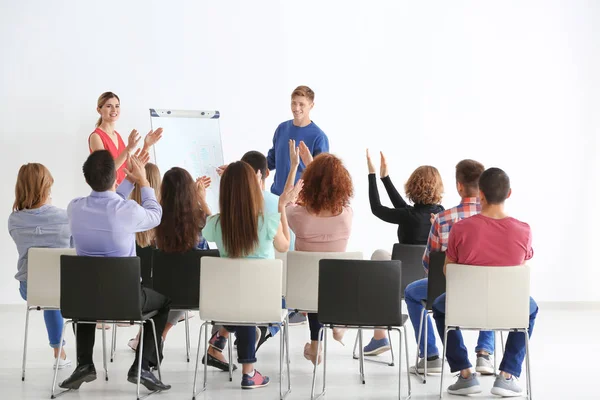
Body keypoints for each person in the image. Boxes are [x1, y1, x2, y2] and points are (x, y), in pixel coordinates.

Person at [59, 150, 171, 392]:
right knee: (164, 303)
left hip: (85, 303)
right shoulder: (128, 211)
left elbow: (107, 203)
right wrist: (142, 182)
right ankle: (141, 367)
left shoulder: (74, 209)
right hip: (126, 302)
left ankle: (84, 365)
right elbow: (155, 214)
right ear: (114, 177)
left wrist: (128, 181)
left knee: (87, 294)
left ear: (87, 179)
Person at [432, 168, 538, 397]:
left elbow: (447, 270)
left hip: (465, 306)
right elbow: (522, 266)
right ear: (509, 193)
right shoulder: (524, 230)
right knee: (531, 308)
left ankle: (465, 375)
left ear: (480, 194)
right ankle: (507, 376)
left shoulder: (461, 228)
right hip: (507, 308)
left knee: (440, 307)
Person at [202, 161, 297, 389]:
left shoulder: (216, 224)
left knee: (242, 302)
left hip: (224, 304)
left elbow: (208, 225)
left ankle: (222, 335)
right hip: (261, 303)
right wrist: (282, 206)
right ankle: (249, 371)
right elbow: (284, 246)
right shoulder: (267, 222)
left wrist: (202, 201)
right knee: (252, 307)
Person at [404, 159, 492, 376]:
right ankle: (484, 353)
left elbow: (429, 263)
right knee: (490, 281)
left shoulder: (443, 219)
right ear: (483, 187)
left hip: (448, 290)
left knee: (411, 293)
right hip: (487, 295)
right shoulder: (496, 220)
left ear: (459, 186)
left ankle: (431, 356)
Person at [363, 150, 445, 355]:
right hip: (431, 283)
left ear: (412, 186)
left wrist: (372, 176)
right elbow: (406, 209)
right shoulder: (442, 214)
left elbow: (377, 208)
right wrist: (385, 178)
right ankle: (381, 338)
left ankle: (379, 336)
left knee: (379, 255)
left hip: (402, 282)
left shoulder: (407, 216)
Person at [284, 140, 354, 365]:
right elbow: (328, 190)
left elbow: (286, 202)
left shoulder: (298, 217)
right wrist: (314, 166)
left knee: (312, 284)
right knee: (323, 281)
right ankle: (337, 324)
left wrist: (301, 168)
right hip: (337, 293)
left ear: (309, 184)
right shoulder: (346, 216)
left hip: (303, 294)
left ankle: (315, 346)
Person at [8, 163, 72, 369]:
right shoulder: (65, 217)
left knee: (48, 293)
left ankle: (59, 352)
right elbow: (74, 248)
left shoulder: (14, 220)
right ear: (46, 187)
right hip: (67, 288)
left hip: (30, 289)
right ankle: (76, 358)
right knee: (57, 288)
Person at [154, 167, 211, 340]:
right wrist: (201, 199)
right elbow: (217, 224)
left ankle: (158, 334)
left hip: (163, 289)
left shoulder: (157, 216)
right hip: (196, 291)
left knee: (176, 286)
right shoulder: (200, 218)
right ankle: (216, 343)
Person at [89, 91, 163, 186]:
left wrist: (147, 145)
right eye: (109, 106)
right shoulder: (96, 137)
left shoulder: (117, 136)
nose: (114, 110)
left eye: (117, 106)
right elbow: (104, 172)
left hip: (123, 191)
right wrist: (128, 148)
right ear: (99, 110)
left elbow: (130, 169)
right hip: (108, 195)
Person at [266, 85, 329, 196]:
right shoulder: (282, 128)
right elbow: (270, 161)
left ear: (311, 106)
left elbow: (322, 176)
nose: (296, 108)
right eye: (293, 103)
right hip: (277, 198)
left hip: (301, 203)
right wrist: (240, 168)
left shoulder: (319, 137)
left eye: (301, 104)